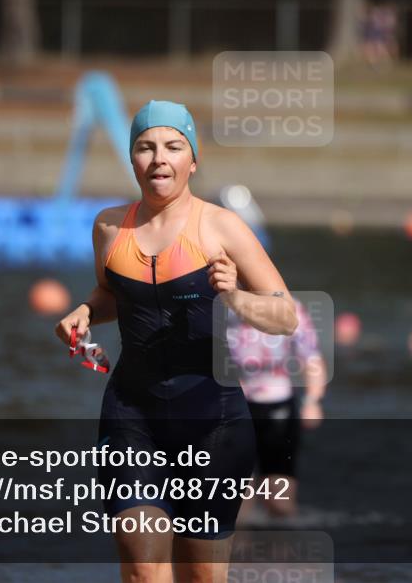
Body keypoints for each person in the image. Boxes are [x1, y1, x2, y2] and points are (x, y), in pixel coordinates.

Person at [55, 100, 298, 583]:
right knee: (143, 570)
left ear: (193, 159)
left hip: (212, 421)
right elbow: (110, 293)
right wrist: (85, 311)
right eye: (145, 147)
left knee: (201, 576)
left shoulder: (222, 226)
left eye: (172, 146)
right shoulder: (108, 227)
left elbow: (285, 316)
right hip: (131, 417)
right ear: (132, 158)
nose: (159, 158)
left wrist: (235, 296)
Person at [226, 298, 327, 518]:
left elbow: (311, 358)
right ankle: (238, 538)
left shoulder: (290, 307)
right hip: (234, 407)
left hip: (277, 404)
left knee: (279, 503)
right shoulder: (222, 307)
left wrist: (313, 401)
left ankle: (283, 536)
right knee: (237, 504)